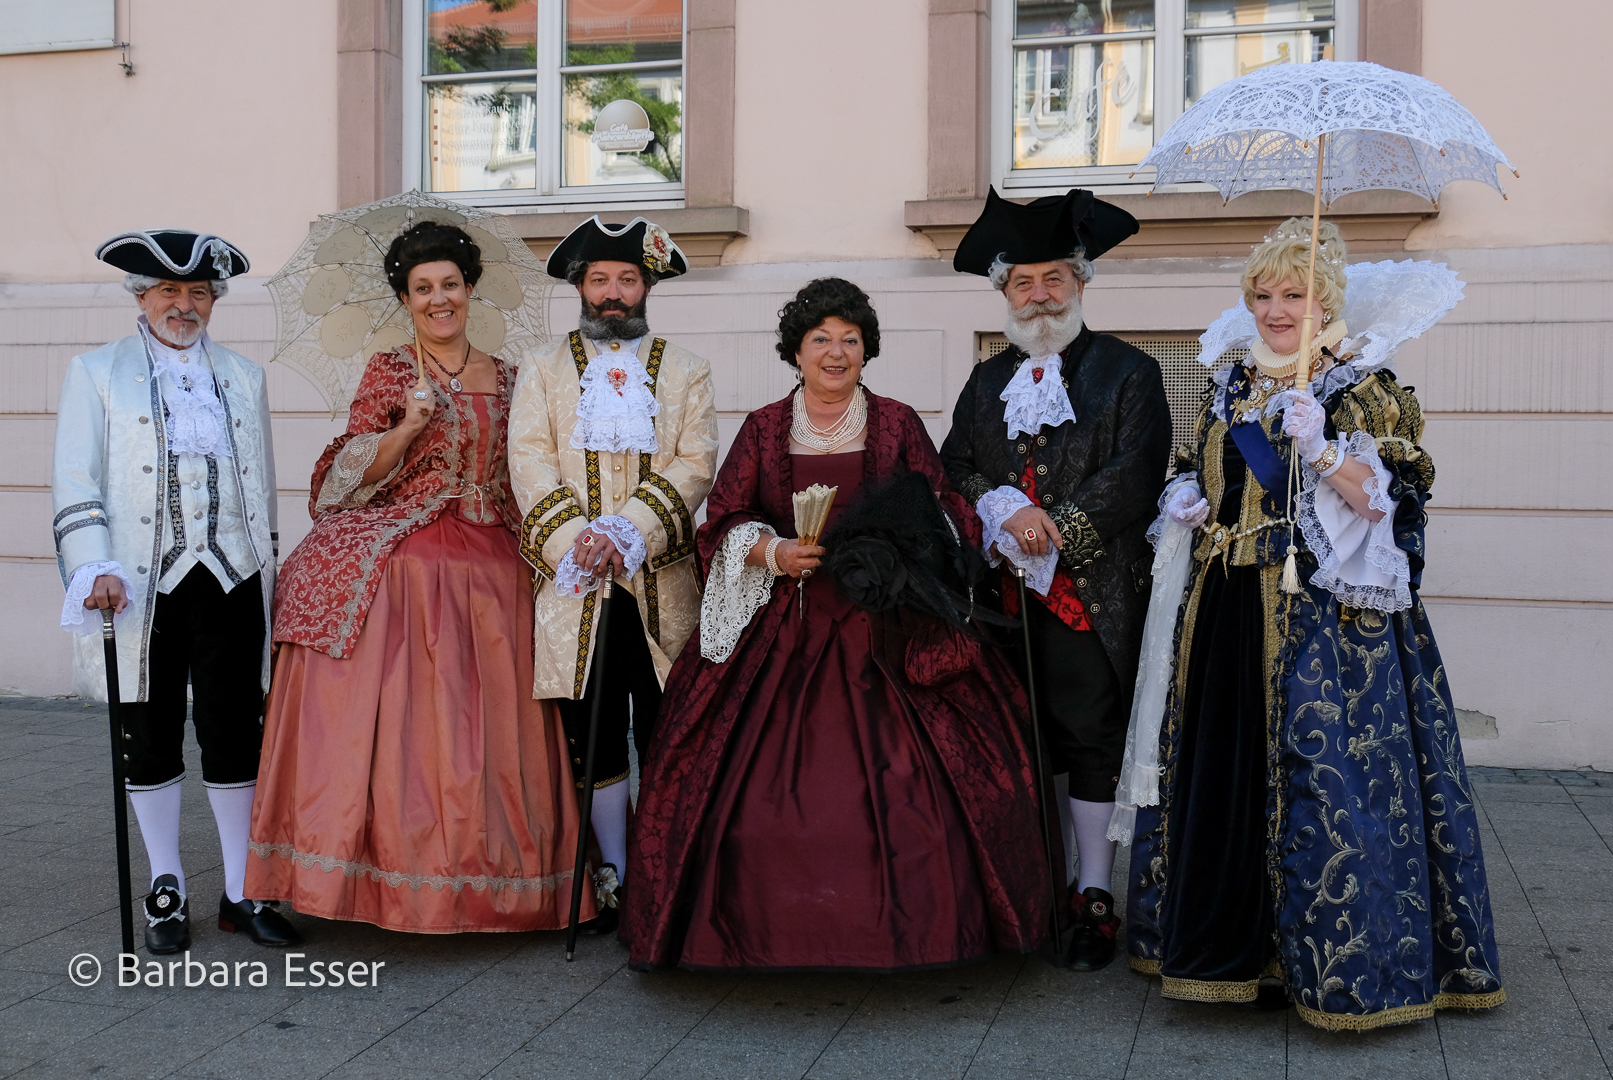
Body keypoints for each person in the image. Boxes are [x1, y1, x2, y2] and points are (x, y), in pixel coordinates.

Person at [1123, 219, 1505, 1029]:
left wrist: (1327, 450)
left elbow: (1390, 504)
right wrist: (1186, 500)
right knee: (1228, 767)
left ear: (1325, 298)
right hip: (1225, 603)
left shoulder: (1362, 387)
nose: (1274, 309)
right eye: (1262, 295)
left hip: (1323, 621)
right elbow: (1200, 466)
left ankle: (1336, 964)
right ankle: (1229, 948)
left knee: (1321, 777)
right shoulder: (1232, 383)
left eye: (1293, 294)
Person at [622, 277, 1051, 972]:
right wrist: (773, 549)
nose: (836, 351)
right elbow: (722, 519)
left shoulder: (898, 422)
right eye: (821, 338)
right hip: (783, 619)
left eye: (850, 339)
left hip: (887, 621)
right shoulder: (764, 427)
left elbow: (944, 507)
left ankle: (930, 928)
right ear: (795, 349)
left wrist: (898, 547)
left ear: (866, 350)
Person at [246, 221, 583, 933]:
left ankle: (503, 880)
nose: (439, 300)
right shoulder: (391, 373)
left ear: (470, 290)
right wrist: (403, 429)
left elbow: (528, 471)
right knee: (383, 588)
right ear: (406, 299)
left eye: (450, 285)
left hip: (494, 549)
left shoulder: (514, 375)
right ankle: (359, 872)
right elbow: (341, 483)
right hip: (409, 544)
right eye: (423, 289)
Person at [940, 188, 1172, 971]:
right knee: (1017, 742)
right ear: (1004, 293)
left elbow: (1134, 476)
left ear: (1080, 283)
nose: (1038, 296)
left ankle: (1095, 895)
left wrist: (1055, 528)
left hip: (1091, 595)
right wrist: (1003, 512)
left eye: (1053, 279)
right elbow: (957, 467)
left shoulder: (1130, 374)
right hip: (1002, 597)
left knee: (1091, 741)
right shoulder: (983, 382)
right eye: (1022, 283)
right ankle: (1031, 886)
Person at [53, 229, 297, 953]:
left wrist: (271, 578)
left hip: (232, 577)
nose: (182, 306)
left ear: (214, 300)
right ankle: (166, 885)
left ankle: (241, 887)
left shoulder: (246, 377)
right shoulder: (95, 372)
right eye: (168, 292)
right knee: (150, 734)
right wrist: (93, 564)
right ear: (140, 296)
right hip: (136, 587)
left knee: (234, 732)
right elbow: (75, 479)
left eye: (197, 293)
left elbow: (262, 489)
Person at [510, 216, 718, 932]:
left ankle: (664, 871)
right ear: (579, 285)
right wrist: (581, 539)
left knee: (667, 727)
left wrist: (626, 531)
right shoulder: (541, 367)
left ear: (647, 286)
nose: (612, 293)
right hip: (577, 586)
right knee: (591, 734)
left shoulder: (687, 368)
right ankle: (614, 874)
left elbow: (695, 464)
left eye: (627, 279)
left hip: (661, 584)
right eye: (599, 279)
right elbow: (528, 462)